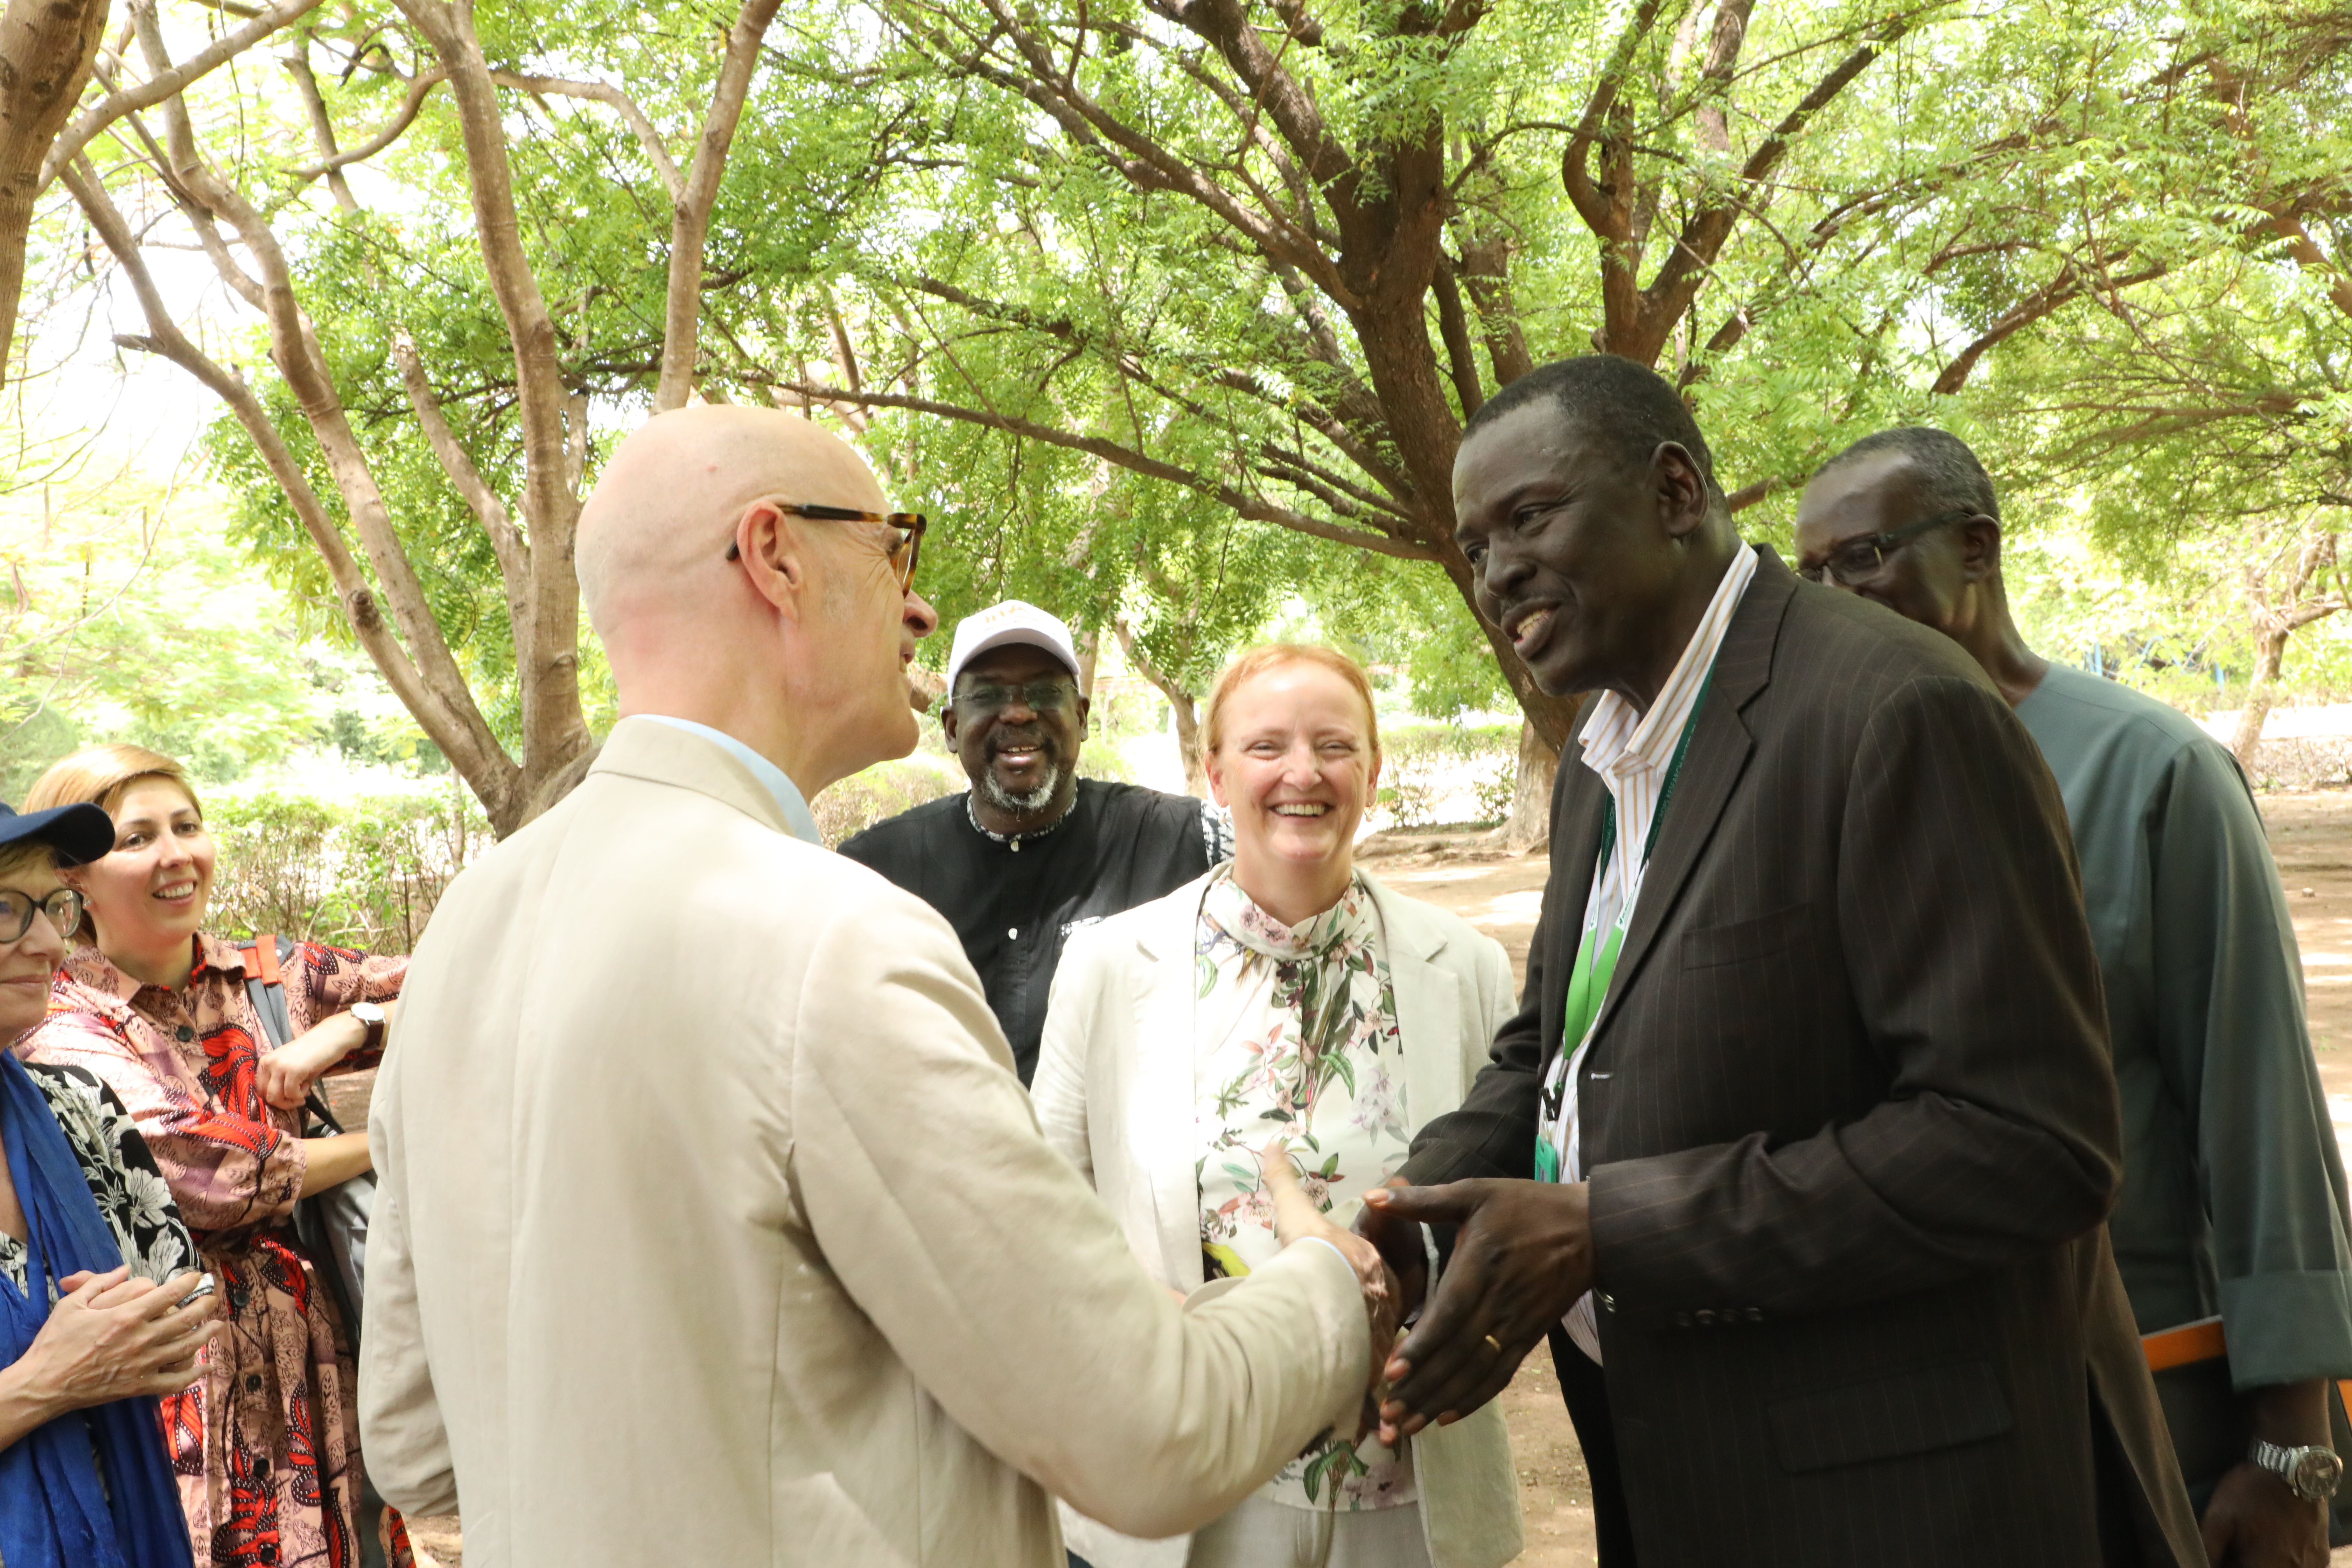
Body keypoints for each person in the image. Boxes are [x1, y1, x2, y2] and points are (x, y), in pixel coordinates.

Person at [357, 405, 1401, 1568]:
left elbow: (416, 1447)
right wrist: (1329, 1283)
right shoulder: (829, 936)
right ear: (776, 557)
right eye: (892, 547)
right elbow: (1150, 1435)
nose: (916, 606)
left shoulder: (465, 928)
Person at [1352, 355, 2204, 1567]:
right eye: (1476, 547)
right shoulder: (1603, 757)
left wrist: (1611, 1231)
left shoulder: (1895, 710)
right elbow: (1551, 1049)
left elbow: (2029, 1144)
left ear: (1676, 492)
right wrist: (1401, 1223)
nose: (1496, 576)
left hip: (1901, 1509)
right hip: (1684, 1481)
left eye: (1529, 517)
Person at [1795, 426, 2352, 1568]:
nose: (1831, 599)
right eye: (1807, 578)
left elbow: (2257, 1111)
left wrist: (2292, 1446)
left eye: (1860, 558)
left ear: (1976, 548)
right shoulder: (1826, 788)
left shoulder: (2154, 775)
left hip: (2142, 1399)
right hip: (1907, 1423)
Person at [1034, 645, 1524, 1568]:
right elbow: (1040, 1205)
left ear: (1374, 773)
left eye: (1334, 745)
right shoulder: (1109, 967)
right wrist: (1145, 1316)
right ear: (1212, 772)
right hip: (1190, 1478)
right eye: (1266, 746)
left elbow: (1509, 1204)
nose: (1303, 773)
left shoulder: (1464, 969)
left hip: (1408, 1486)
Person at [20, 745, 409, 1568]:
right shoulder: (58, 1015)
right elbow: (210, 1174)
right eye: (137, 838)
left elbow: (464, 978)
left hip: (328, 1361)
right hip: (181, 1388)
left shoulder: (269, 975)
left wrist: (357, 1026)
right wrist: (387, 1143)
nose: (174, 854)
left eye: (186, 826)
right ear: (75, 882)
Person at [839, 599, 1231, 1084]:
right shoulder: (874, 873)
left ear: (1083, 718)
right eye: (987, 695)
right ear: (952, 729)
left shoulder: (1183, 841)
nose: (1020, 713)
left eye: (1045, 692)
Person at [0, 798, 219, 1568]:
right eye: (6, 909)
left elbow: (182, 1291)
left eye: (56, 905)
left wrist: (148, 1329)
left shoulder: (74, 1106)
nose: (52, 942)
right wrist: (40, 1383)